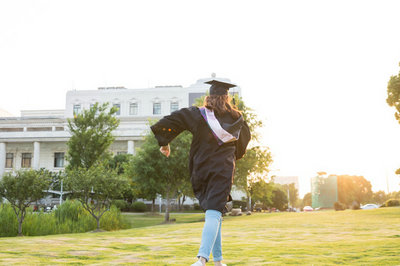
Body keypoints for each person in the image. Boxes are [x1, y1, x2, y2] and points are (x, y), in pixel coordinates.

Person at [151, 79, 251, 266]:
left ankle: (218, 261)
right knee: (214, 211)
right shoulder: (237, 119)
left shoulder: (198, 114)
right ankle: (202, 259)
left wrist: (164, 143)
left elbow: (171, 120)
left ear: (209, 97)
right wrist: (232, 154)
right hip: (222, 170)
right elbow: (242, 145)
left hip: (201, 169)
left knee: (214, 211)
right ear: (227, 97)